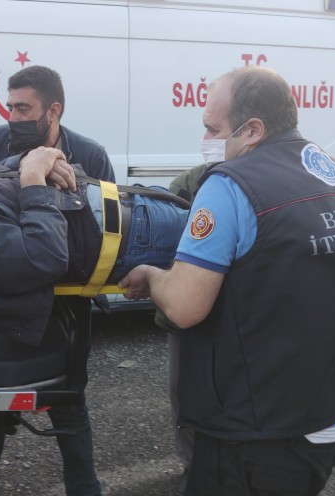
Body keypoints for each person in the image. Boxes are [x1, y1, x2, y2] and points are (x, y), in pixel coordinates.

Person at [118, 66, 335, 495]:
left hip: (258, 427)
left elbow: (185, 306)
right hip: (334, 415)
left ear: (253, 130)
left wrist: (151, 275)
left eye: (213, 128)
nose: (206, 138)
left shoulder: (230, 183)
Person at [0, 65, 114, 496]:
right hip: (5, 297)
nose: (13, 117)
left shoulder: (91, 155)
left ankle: (84, 488)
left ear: (54, 110)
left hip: (67, 308)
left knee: (69, 401)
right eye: (10, 107)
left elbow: (104, 234)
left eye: (23, 108)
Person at [0, 154, 187, 344]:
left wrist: (28, 159)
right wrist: (33, 180)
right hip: (139, 233)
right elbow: (45, 256)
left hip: (137, 207)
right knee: (207, 269)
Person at [151, 162, 208, 496]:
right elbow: (167, 237)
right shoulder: (191, 181)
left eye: (216, 135)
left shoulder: (263, 181)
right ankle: (192, 465)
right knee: (184, 393)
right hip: (188, 314)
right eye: (208, 134)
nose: (209, 139)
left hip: (239, 314)